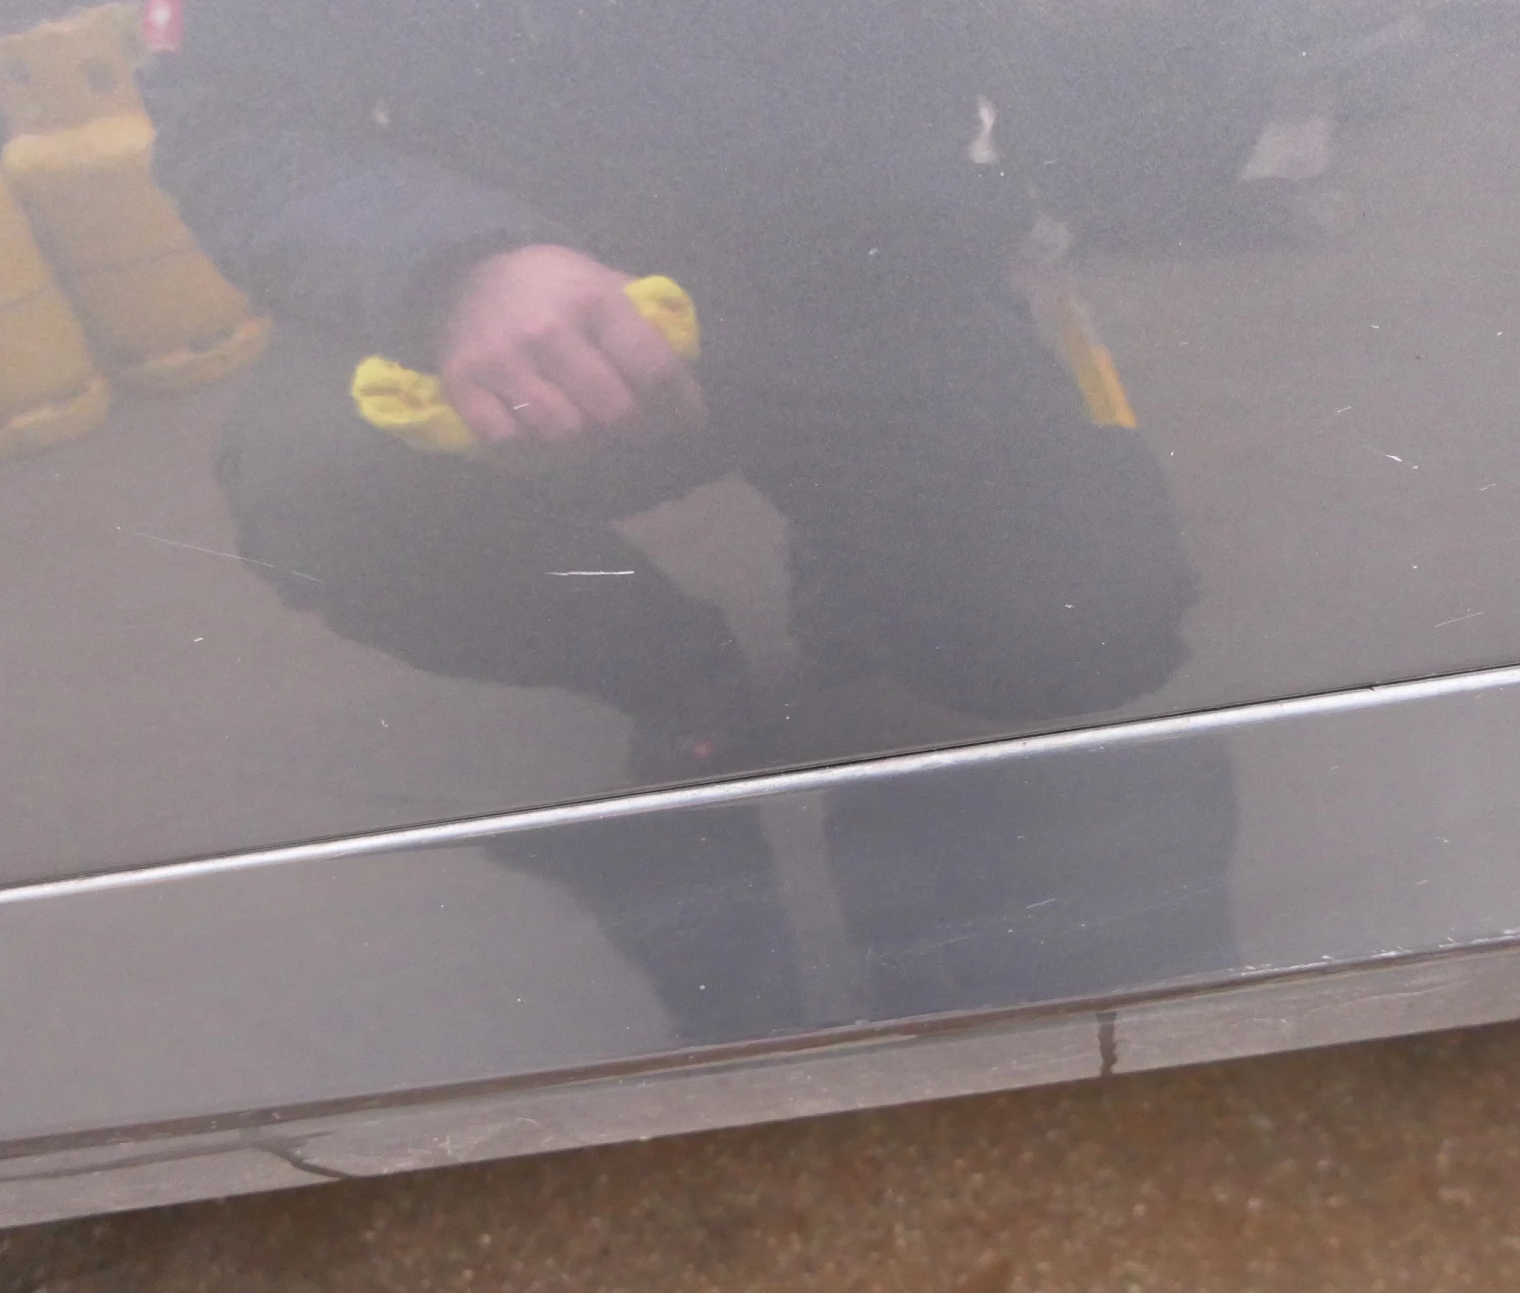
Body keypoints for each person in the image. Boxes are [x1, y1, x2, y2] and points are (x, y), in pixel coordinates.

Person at [142, 0, 1236, 1041]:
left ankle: (858, 556)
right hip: (524, 281)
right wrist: (449, 266)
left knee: (1078, 622)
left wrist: (1119, 77)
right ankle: (665, 667)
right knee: (327, 491)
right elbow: (234, 118)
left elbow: (1134, 113)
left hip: (865, 268)